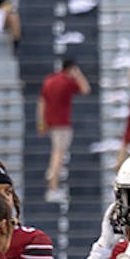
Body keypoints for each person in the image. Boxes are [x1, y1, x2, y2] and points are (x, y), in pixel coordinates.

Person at [37, 59, 91, 203]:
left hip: (51, 123)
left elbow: (42, 102)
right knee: (58, 155)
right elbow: (86, 89)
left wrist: (41, 123)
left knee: (56, 153)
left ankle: (52, 179)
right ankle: (52, 187)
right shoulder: (66, 81)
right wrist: (78, 74)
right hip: (62, 123)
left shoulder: (49, 80)